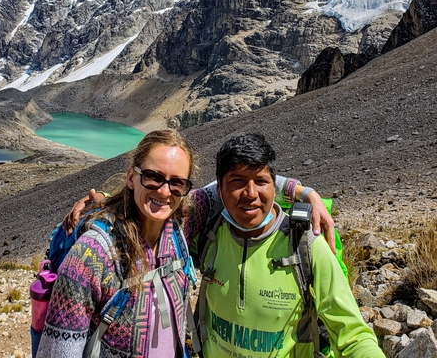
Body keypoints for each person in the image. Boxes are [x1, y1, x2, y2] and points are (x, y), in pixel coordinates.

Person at [37, 129, 333, 357]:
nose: (165, 192)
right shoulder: (90, 256)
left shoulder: (182, 221)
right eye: (153, 177)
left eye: (177, 183)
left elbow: (244, 181)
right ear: (131, 177)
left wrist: (306, 193)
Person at [195, 133, 385, 358]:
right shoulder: (208, 235)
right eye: (237, 181)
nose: (251, 194)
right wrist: (306, 192)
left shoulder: (307, 246)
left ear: (273, 187)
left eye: (261, 181)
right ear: (219, 189)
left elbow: (353, 336)